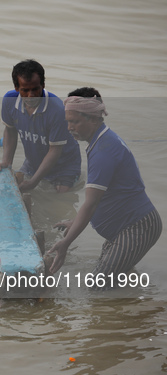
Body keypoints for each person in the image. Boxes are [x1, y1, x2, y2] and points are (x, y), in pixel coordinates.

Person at [47, 87, 162, 288]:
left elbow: (90, 205)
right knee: (115, 279)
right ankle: (135, 310)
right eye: (68, 121)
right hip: (126, 226)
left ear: (92, 119)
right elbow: (104, 197)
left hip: (136, 226)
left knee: (96, 285)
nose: (69, 128)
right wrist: (75, 222)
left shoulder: (104, 150)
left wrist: (65, 244)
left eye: (74, 122)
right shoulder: (101, 141)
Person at [0, 59, 81, 192]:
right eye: (25, 90)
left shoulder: (58, 110)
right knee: (17, 189)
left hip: (64, 166)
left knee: (60, 200)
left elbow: (55, 150)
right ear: (17, 88)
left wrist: (33, 182)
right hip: (33, 163)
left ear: (43, 84)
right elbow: (10, 130)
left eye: (35, 89)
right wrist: (7, 162)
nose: (31, 96)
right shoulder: (9, 101)